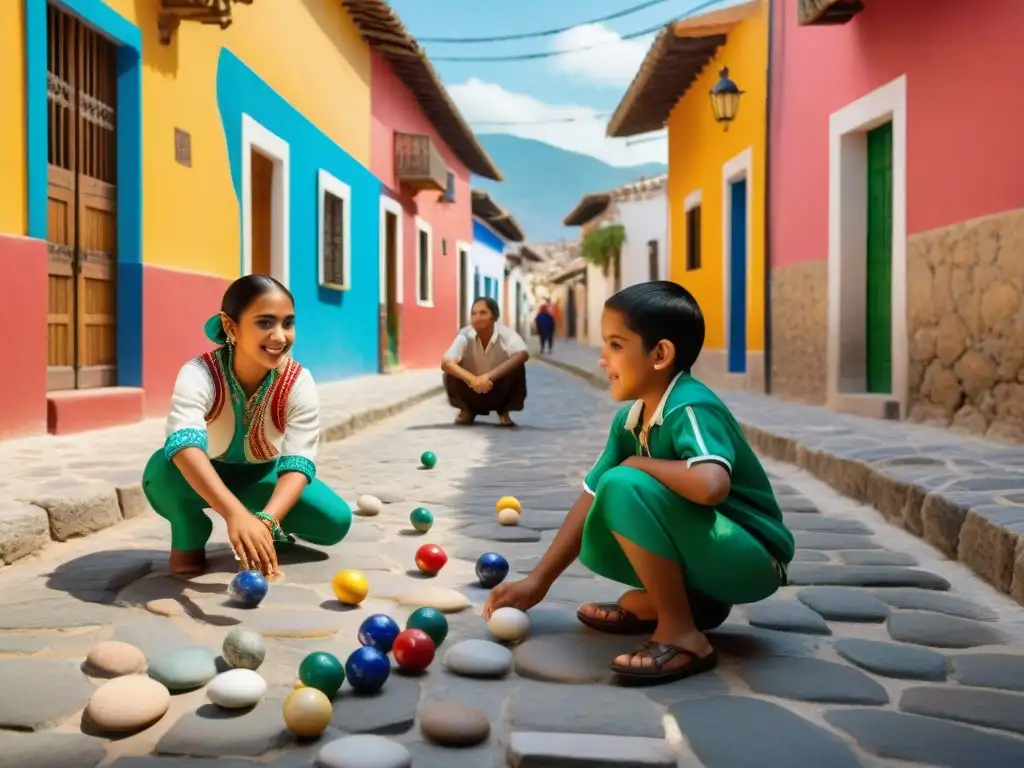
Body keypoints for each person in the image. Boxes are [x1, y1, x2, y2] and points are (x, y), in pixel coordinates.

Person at [483, 281, 794, 685]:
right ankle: (694, 606)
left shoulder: (691, 406)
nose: (602, 360)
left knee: (624, 483)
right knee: (612, 497)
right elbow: (591, 496)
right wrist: (537, 582)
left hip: (753, 558)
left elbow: (712, 484)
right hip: (714, 560)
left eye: (615, 345)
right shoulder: (630, 420)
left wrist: (637, 465)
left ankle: (682, 633)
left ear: (660, 354)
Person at [141, 274, 352, 577]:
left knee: (335, 522)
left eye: (288, 323)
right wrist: (234, 514)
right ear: (230, 327)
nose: (280, 337)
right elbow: (184, 446)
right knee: (162, 474)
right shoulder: (199, 373)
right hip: (198, 476)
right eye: (265, 323)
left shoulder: (297, 382)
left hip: (261, 478)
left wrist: (266, 522)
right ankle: (189, 530)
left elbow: (298, 464)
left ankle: (263, 533)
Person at [442, 296, 529, 427]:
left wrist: (488, 377)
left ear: (494, 316)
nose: (477, 317)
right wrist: (473, 380)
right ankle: (465, 411)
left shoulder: (506, 334)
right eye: (473, 313)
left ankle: (504, 413)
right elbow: (446, 362)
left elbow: (523, 354)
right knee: (451, 371)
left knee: (518, 367)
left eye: (483, 313)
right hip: (471, 389)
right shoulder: (464, 335)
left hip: (498, 389)